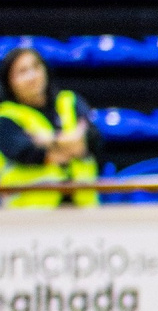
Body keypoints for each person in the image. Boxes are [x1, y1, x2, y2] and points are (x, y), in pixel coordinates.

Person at [0, 47, 99, 209]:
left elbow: (93, 139)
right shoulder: (5, 116)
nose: (32, 76)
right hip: (30, 213)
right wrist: (71, 144)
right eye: (22, 72)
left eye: (36, 67)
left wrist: (48, 139)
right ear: (9, 81)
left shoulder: (69, 101)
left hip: (82, 208)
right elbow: (26, 153)